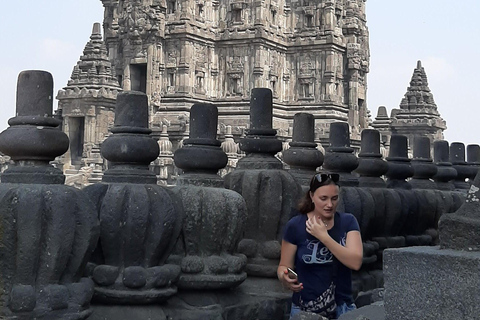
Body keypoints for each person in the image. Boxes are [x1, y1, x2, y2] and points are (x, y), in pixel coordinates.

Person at [277, 173, 363, 319]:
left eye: (334, 199)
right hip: (304, 309)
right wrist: (284, 277)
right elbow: (283, 265)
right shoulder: (296, 225)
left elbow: (355, 262)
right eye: (323, 198)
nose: (329, 204)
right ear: (312, 196)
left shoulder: (348, 222)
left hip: (342, 308)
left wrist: (323, 236)